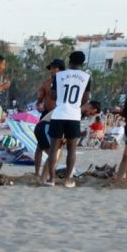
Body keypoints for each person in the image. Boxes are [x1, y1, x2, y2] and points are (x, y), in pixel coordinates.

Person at [40, 52, 87, 186]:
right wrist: (76, 103)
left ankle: (51, 178)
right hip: (74, 115)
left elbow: (54, 96)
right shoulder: (86, 77)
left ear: (69, 61)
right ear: (82, 63)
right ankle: (67, 179)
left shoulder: (59, 76)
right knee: (71, 149)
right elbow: (86, 98)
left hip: (59, 114)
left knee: (54, 148)